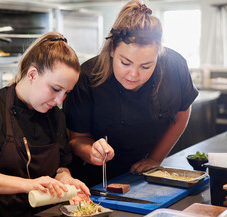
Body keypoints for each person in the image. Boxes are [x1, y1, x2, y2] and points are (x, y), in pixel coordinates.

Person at [0, 32, 90, 217]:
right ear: (32, 74)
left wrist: (67, 182)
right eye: (55, 89)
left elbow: (60, 168)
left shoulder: (55, 116)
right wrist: (27, 184)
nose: (59, 100)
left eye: (66, 93)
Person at [63, 0, 199, 187]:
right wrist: (92, 151)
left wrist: (155, 159)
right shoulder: (88, 77)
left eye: (146, 66)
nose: (134, 74)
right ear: (112, 49)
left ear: (158, 55)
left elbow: (182, 113)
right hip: (95, 178)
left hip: (146, 173)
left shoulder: (174, 66)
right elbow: (77, 138)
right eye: (125, 63)